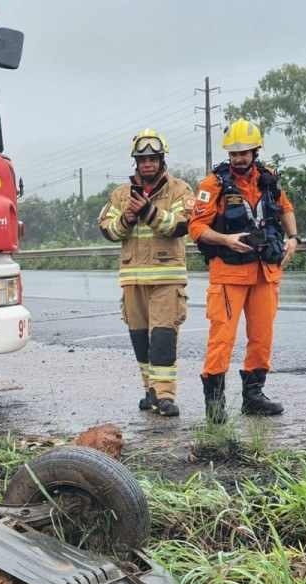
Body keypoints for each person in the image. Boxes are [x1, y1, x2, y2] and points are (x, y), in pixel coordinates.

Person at [189, 119, 299, 423]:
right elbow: (196, 227)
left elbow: (285, 208)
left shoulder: (268, 179)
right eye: (234, 153)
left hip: (265, 271)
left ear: (255, 150)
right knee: (221, 339)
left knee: (262, 338)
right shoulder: (213, 185)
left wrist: (293, 238)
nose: (239, 158)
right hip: (229, 274)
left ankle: (253, 397)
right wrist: (225, 239)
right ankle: (215, 405)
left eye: (244, 152)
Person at [97, 130, 195, 417]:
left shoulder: (179, 190)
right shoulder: (120, 194)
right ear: (135, 163)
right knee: (140, 339)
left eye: (153, 158)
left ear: (162, 160)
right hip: (132, 279)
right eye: (143, 159)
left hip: (167, 278)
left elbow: (181, 225)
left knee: (163, 338)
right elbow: (107, 229)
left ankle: (165, 395)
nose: (148, 164)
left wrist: (149, 212)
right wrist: (127, 217)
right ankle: (150, 391)